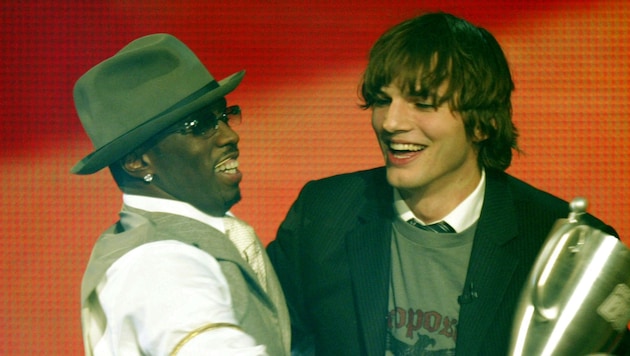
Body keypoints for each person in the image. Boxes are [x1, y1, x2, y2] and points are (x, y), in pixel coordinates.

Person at [267, 12, 624, 355]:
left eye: (421, 104)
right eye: (382, 101)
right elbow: (270, 338)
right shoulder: (323, 212)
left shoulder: (564, 246)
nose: (390, 123)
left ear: (482, 124)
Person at [73, 34, 290, 355]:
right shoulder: (159, 264)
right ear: (136, 160)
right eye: (200, 124)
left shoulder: (180, 240)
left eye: (225, 115)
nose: (230, 135)